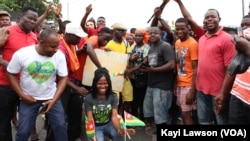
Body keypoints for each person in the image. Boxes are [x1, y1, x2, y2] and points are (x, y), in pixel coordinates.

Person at [6, 28, 68, 141]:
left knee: (60, 127)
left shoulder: (59, 55)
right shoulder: (22, 54)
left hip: (51, 98)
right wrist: (22, 95)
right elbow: (11, 73)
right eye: (52, 47)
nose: (56, 50)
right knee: (23, 131)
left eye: (57, 46)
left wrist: (54, 99)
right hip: (29, 99)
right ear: (41, 42)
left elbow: (63, 78)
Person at [0, 6, 39, 141]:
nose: (33, 21)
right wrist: (5, 63)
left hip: (26, 85)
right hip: (6, 84)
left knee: (27, 119)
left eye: (35, 19)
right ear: (21, 16)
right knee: (4, 121)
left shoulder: (34, 37)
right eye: (30, 18)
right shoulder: (6, 31)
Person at [196, 9, 236, 125]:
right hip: (201, 91)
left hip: (218, 93)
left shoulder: (227, 39)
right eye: (206, 17)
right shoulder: (202, 39)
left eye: (212, 16)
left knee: (222, 122)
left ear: (219, 20)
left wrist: (223, 93)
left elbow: (231, 70)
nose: (209, 19)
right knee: (204, 122)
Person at [215, 14, 250, 124]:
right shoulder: (245, 36)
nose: (245, 28)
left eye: (247, 24)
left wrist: (248, 49)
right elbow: (234, 66)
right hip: (238, 95)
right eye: (243, 25)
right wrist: (223, 93)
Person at [141, 27, 175, 136]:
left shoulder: (165, 46)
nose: (152, 35)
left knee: (160, 114)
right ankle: (154, 130)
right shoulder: (152, 47)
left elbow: (171, 64)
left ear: (160, 34)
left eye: (155, 33)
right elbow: (151, 63)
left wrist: (153, 70)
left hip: (162, 86)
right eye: (150, 33)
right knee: (149, 110)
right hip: (151, 84)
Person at [84, 67, 135, 141]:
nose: (103, 86)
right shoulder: (89, 98)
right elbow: (90, 119)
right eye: (99, 83)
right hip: (96, 126)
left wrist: (119, 130)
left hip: (109, 124)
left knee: (120, 135)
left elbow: (114, 116)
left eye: (105, 83)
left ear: (109, 83)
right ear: (95, 83)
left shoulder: (113, 97)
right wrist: (92, 135)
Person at [174, 18, 198, 125]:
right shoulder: (177, 42)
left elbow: (196, 68)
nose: (179, 31)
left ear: (188, 29)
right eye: (177, 29)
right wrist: (175, 84)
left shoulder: (193, 44)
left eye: (182, 29)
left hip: (188, 85)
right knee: (182, 112)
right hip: (179, 83)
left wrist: (193, 90)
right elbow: (178, 64)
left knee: (186, 114)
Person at [126, 28, 150, 122]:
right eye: (136, 35)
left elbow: (144, 62)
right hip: (132, 77)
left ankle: (143, 118)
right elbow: (128, 59)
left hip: (142, 77)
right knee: (134, 99)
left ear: (144, 37)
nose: (137, 37)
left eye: (140, 35)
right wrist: (131, 60)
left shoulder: (147, 47)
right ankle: (135, 117)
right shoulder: (132, 47)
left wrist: (131, 70)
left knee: (142, 99)